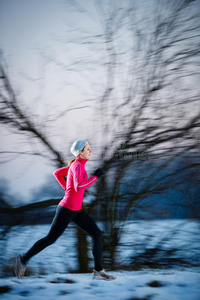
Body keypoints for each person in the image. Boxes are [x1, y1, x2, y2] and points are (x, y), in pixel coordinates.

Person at [14, 140, 115, 280]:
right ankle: (23, 260)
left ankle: (98, 270)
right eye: (87, 149)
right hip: (66, 209)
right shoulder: (77, 165)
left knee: (96, 233)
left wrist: (67, 189)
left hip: (76, 209)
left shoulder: (76, 165)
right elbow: (79, 186)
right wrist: (95, 177)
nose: (90, 151)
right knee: (50, 239)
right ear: (80, 152)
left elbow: (57, 173)